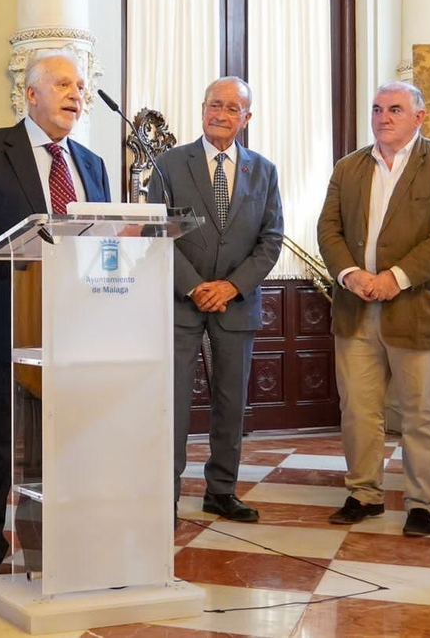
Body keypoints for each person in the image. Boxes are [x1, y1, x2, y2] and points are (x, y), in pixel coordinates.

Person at [0, 49, 110, 588]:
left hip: (73, 322)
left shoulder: (92, 164)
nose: (76, 94)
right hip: (1, 317)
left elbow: (103, 237)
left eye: (80, 86)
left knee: (63, 440)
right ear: (31, 94)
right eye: (63, 84)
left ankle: (59, 541)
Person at [317, 81, 430, 538]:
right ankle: (363, 495)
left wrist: (396, 277)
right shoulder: (348, 167)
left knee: (421, 413)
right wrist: (350, 274)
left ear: (419, 117)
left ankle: (421, 503)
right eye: (377, 109)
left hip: (419, 310)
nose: (383, 117)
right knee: (359, 410)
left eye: (394, 109)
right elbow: (328, 228)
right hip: (356, 309)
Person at [147, 77, 283, 524]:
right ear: (202, 109)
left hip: (236, 305)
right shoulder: (169, 164)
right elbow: (157, 233)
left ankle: (221, 490)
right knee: (173, 403)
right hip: (179, 302)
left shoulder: (264, 171)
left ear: (247, 117)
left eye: (231, 108)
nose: (220, 115)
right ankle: (164, 496)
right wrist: (194, 286)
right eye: (213, 105)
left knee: (230, 404)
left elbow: (271, 240)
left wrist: (230, 286)